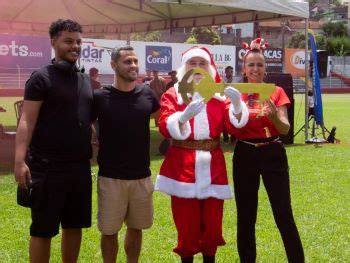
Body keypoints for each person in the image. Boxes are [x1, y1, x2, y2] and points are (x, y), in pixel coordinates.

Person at [155, 46, 248, 263]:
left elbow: (235, 128)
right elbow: (163, 125)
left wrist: (236, 106)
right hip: (182, 166)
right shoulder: (173, 94)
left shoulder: (218, 97)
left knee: (213, 224)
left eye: (202, 63)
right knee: (186, 224)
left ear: (209, 67)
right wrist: (181, 117)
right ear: (184, 67)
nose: (197, 68)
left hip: (213, 164)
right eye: (192, 63)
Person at [14, 19, 93, 263]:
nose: (75, 46)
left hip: (79, 167)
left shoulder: (83, 79)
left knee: (74, 225)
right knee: (43, 230)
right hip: (47, 168)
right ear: (53, 42)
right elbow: (26, 120)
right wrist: (19, 161)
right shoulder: (41, 77)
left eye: (78, 41)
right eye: (68, 41)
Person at [227, 38, 304, 263]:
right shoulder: (236, 92)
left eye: (260, 65)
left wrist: (273, 118)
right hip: (245, 154)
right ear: (244, 68)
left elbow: (285, 127)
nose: (255, 69)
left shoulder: (276, 91)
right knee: (246, 215)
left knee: (283, 213)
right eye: (251, 65)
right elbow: (230, 126)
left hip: (272, 153)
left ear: (265, 68)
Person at [93, 46, 160, 263]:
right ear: (113, 65)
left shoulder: (147, 93)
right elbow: (83, 120)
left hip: (141, 176)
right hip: (111, 177)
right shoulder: (100, 97)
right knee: (109, 231)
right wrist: (92, 135)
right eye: (127, 62)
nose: (133, 65)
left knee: (136, 227)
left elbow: (162, 117)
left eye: (134, 61)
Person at [223, 66, 234, 143]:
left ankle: (233, 139)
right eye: (229, 71)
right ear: (225, 72)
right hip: (224, 103)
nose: (230, 73)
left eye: (231, 72)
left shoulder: (236, 81)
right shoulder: (221, 80)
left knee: (233, 121)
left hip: (233, 103)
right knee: (224, 122)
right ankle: (225, 139)